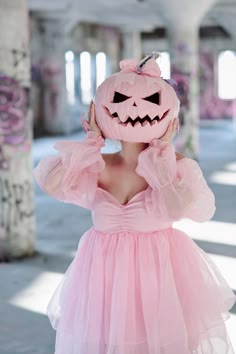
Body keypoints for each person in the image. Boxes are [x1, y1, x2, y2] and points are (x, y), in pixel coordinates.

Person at [34, 54, 236, 354]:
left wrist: (162, 167)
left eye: (152, 100)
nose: (135, 107)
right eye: (120, 99)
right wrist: (91, 141)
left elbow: (195, 211)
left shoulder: (177, 168)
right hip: (103, 280)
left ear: (170, 115)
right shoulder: (95, 164)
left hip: (160, 277)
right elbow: (51, 184)